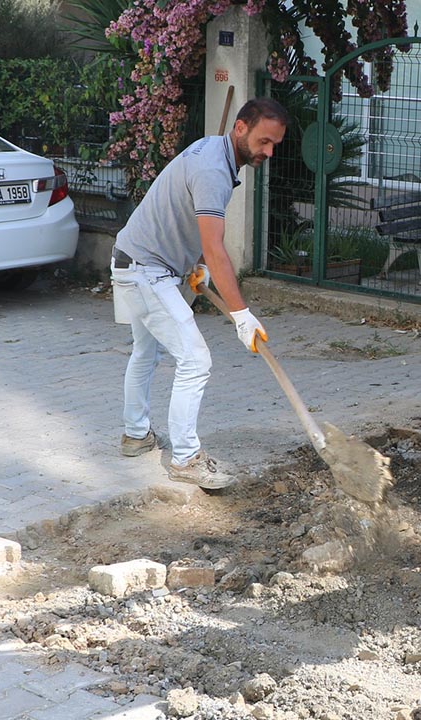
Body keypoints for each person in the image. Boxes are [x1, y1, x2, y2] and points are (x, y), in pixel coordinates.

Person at [110, 97, 289, 488]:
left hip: (137, 260)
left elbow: (188, 224)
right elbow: (216, 245)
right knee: (195, 359)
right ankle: (186, 458)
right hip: (146, 271)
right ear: (240, 128)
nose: (269, 152)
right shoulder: (213, 170)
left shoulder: (214, 152)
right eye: (264, 141)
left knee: (147, 351)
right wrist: (241, 315)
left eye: (275, 144)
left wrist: (196, 265)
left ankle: (136, 436)